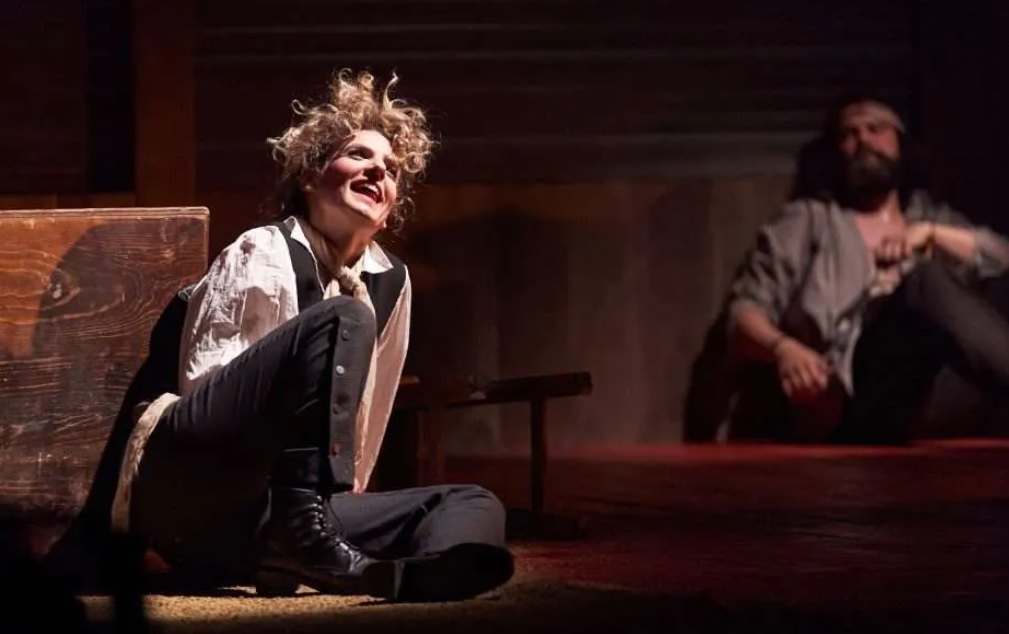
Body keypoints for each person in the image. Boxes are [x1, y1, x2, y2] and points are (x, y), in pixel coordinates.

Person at [106, 69, 514, 602]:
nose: (379, 170)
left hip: (275, 521)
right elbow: (208, 397)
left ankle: (427, 574)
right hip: (195, 496)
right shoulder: (263, 249)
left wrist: (333, 499)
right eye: (358, 155)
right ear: (309, 176)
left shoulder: (390, 280)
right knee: (344, 318)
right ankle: (302, 535)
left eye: (392, 169)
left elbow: (369, 418)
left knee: (471, 502)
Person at [685, 92, 1009, 444]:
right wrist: (783, 348)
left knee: (940, 282)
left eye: (876, 128)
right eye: (849, 134)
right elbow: (742, 313)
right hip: (847, 398)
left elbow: (1001, 257)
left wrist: (931, 233)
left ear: (901, 143)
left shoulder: (932, 219)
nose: (864, 140)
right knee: (923, 282)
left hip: (934, 399)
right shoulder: (808, 221)